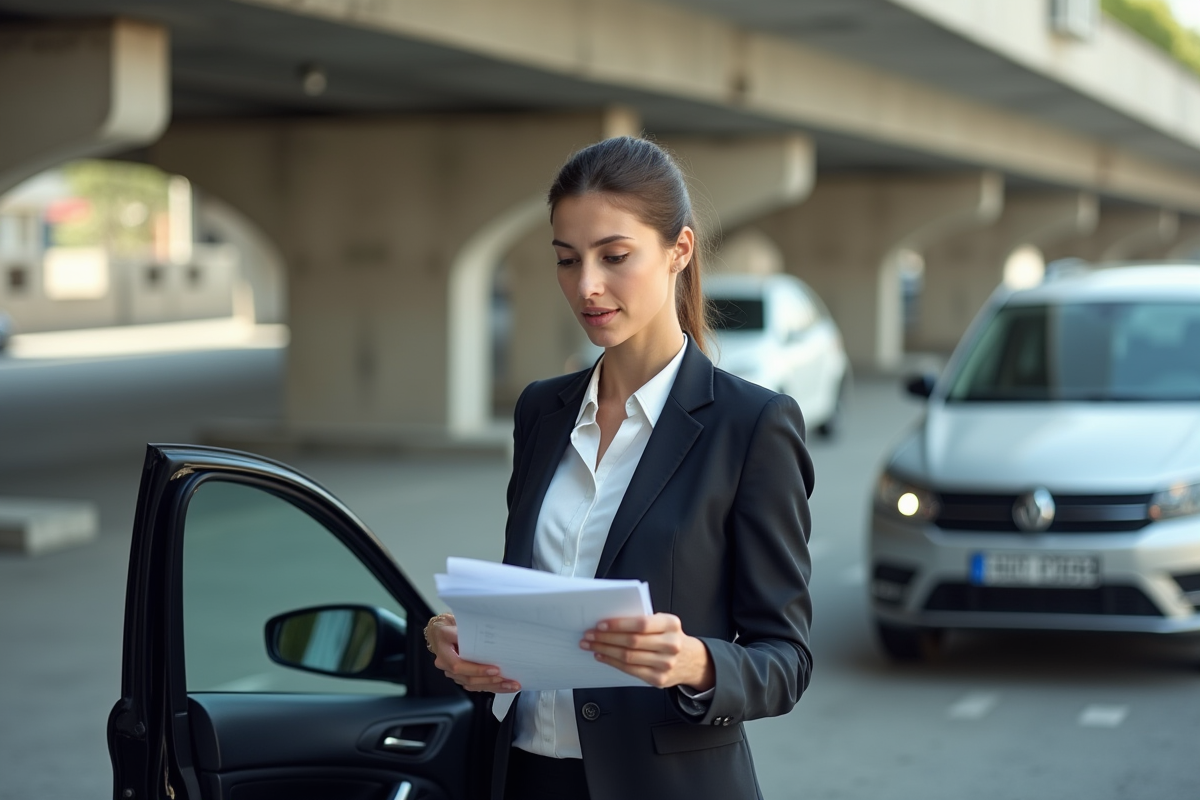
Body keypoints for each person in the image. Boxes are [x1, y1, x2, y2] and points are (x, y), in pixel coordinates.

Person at [425, 135, 814, 800]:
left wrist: (695, 662)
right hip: (522, 777)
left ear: (679, 251)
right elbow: (534, 596)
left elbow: (786, 659)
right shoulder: (540, 412)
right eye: (567, 260)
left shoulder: (751, 426)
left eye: (615, 256)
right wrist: (467, 640)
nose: (587, 286)